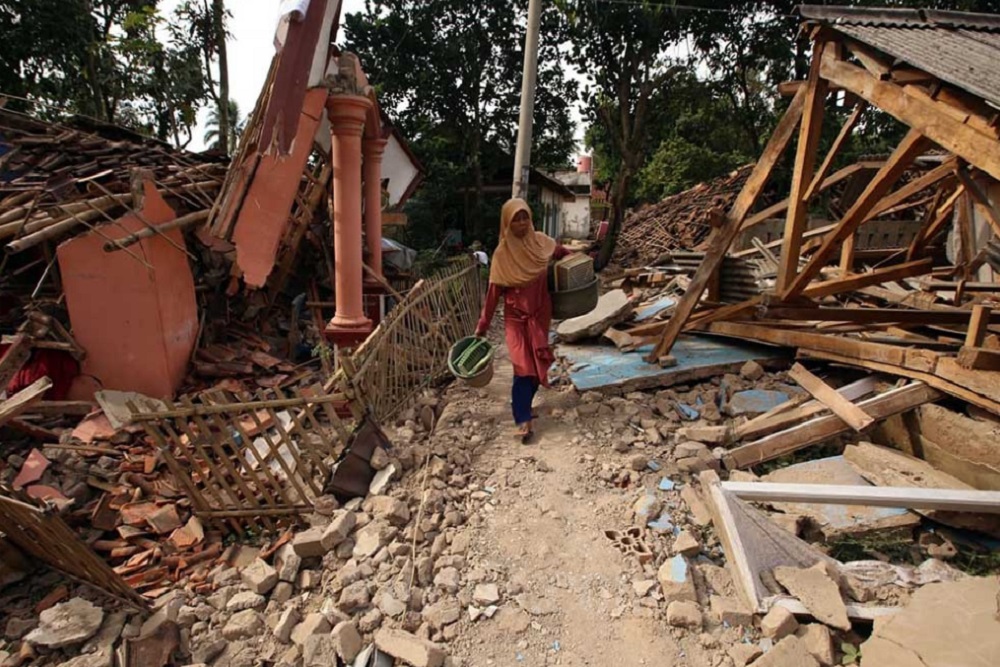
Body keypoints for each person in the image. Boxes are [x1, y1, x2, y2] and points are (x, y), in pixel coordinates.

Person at [475, 198, 569, 444]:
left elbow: (560, 253)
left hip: (539, 314)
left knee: (537, 366)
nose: (521, 222)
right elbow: (492, 296)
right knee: (522, 366)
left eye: (524, 216)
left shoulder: (541, 243)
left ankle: (524, 406)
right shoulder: (502, 255)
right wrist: (482, 327)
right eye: (515, 218)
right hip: (516, 319)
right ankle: (523, 418)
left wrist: (579, 261)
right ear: (506, 222)